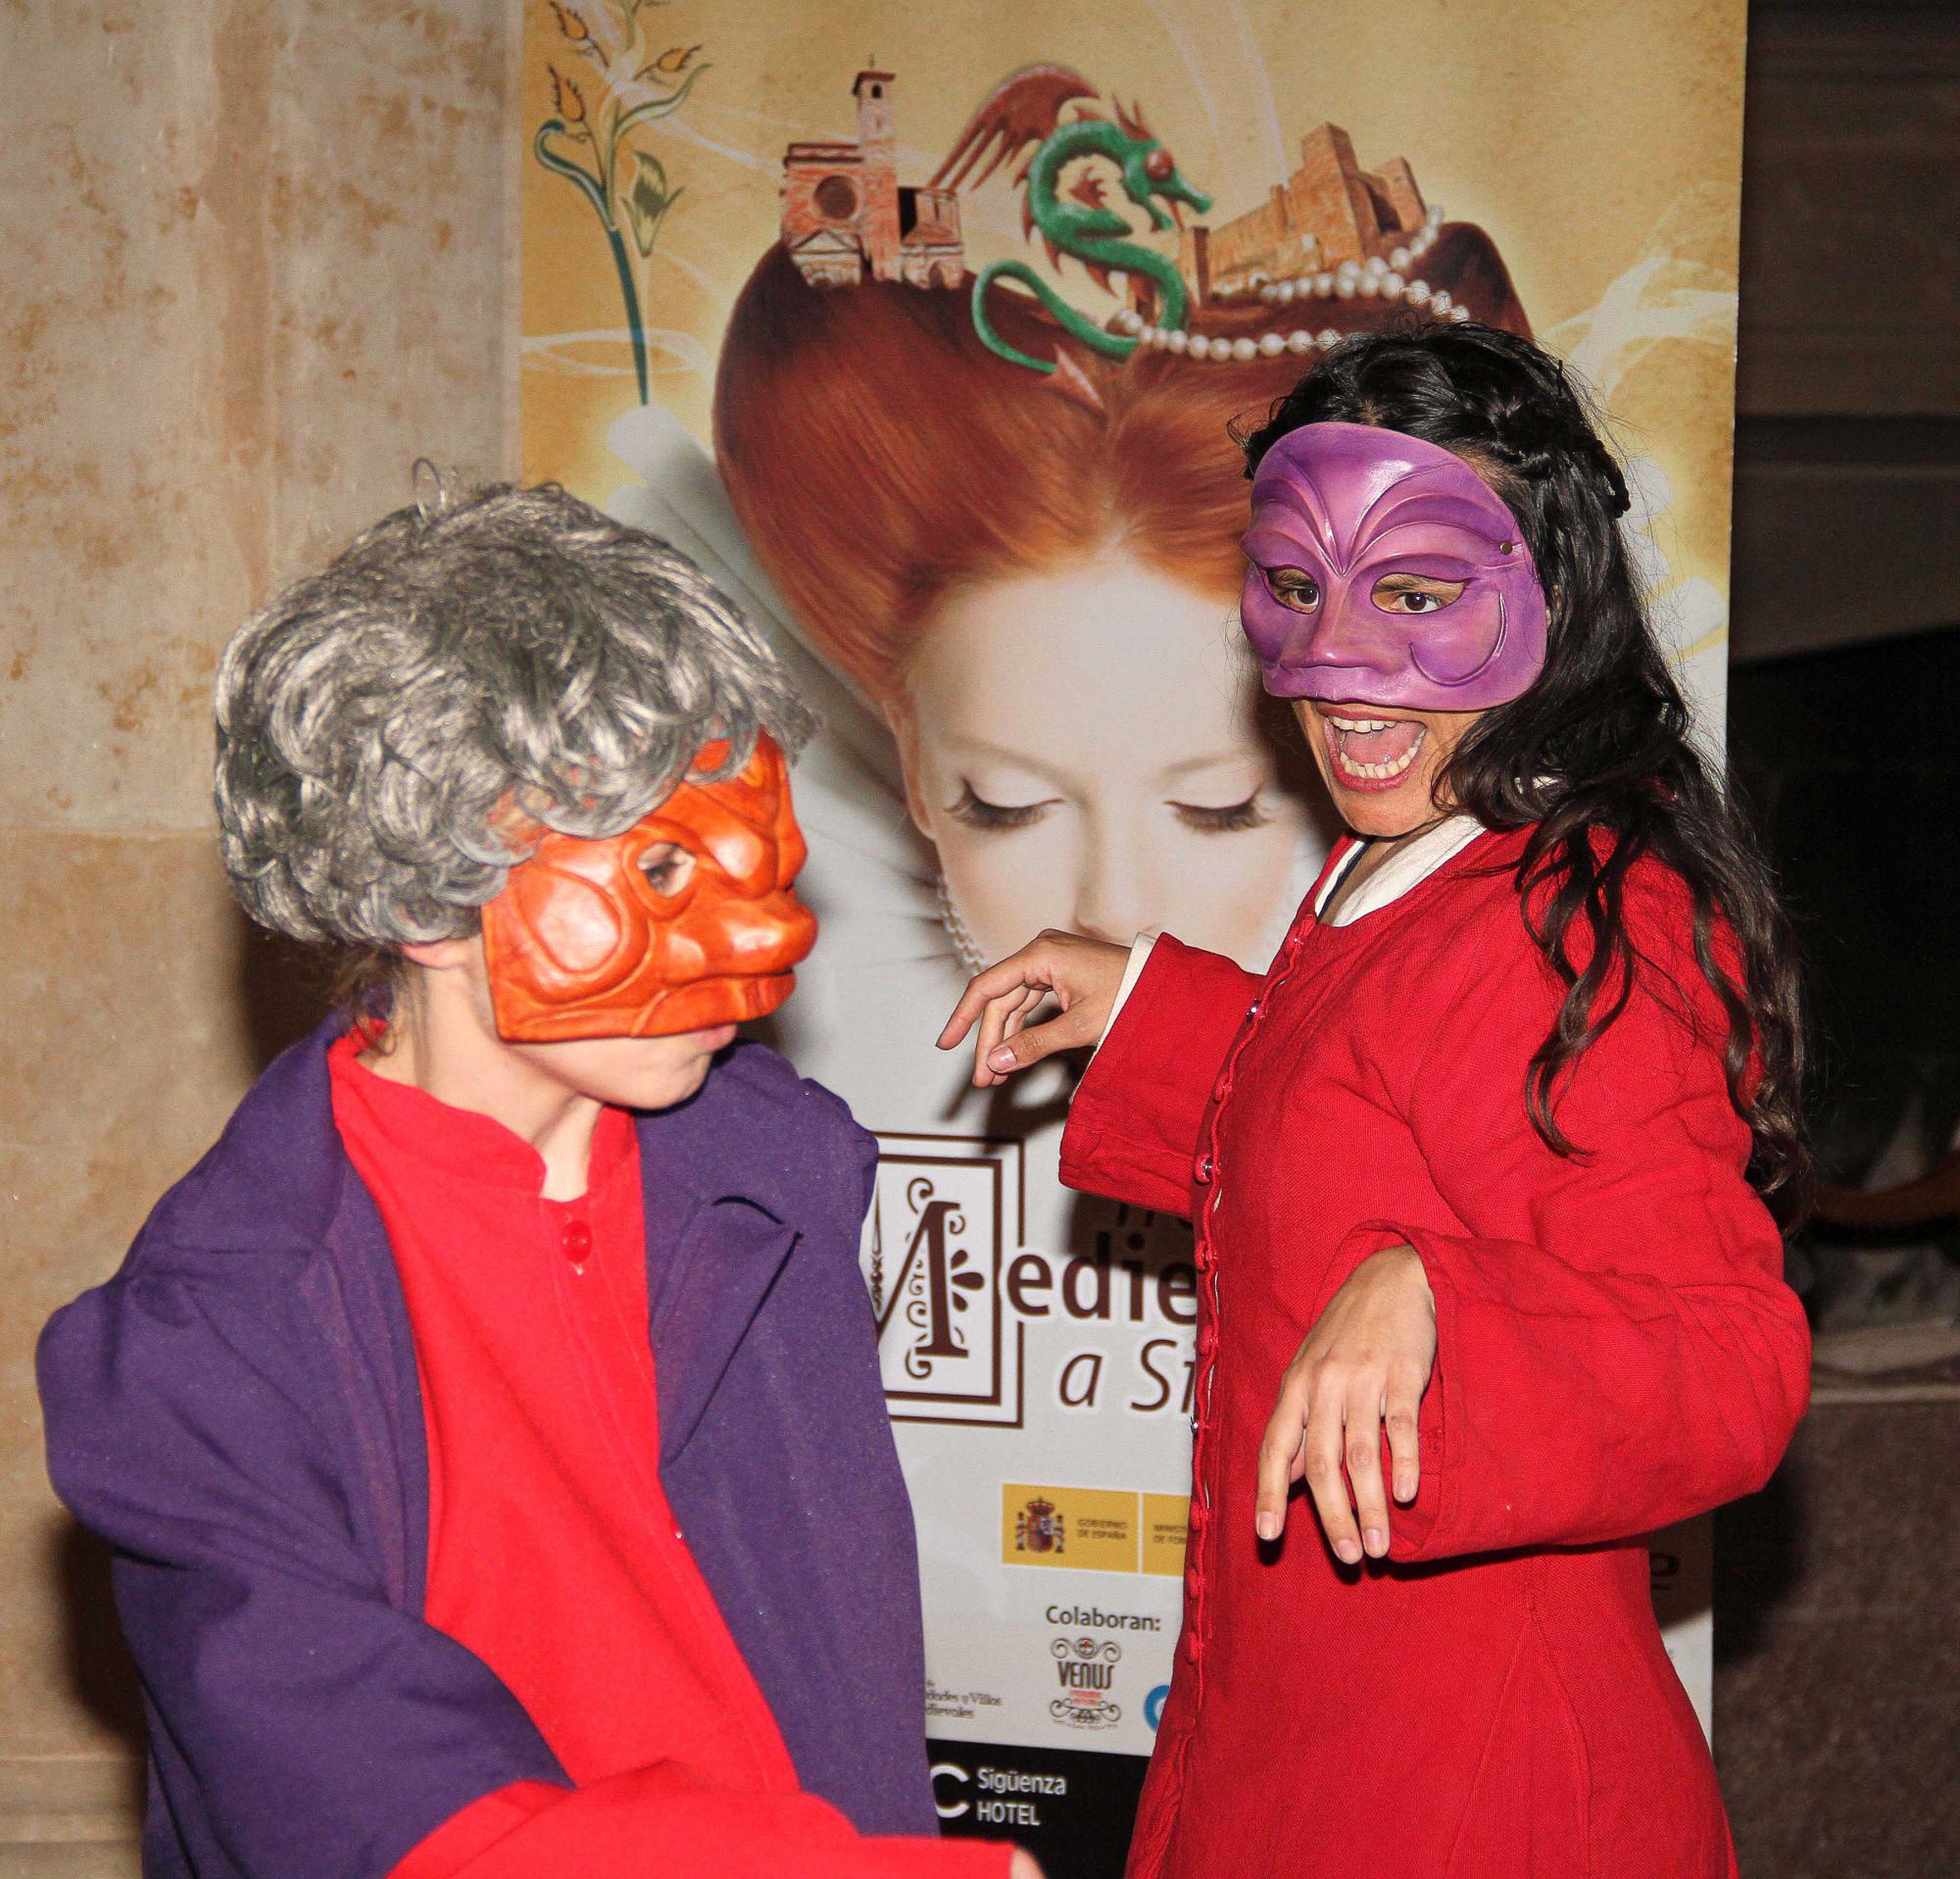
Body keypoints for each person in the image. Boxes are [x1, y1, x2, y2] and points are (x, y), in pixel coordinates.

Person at [38, 484, 1033, 1879]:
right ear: (424, 900)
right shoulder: (213, 1336)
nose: (767, 933)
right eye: (663, 868)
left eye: (754, 853)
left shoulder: (772, 1174)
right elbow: (373, 1812)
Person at [941, 323, 1811, 1878]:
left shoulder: (1581, 916)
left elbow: (1723, 1357)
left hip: (1474, 1795)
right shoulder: (1416, 852)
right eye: (1294, 585)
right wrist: (1150, 1005)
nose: (1340, 656)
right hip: (1319, 1736)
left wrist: (1446, 1303)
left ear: (1552, 596)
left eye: (1413, 594)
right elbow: (1378, 1107)